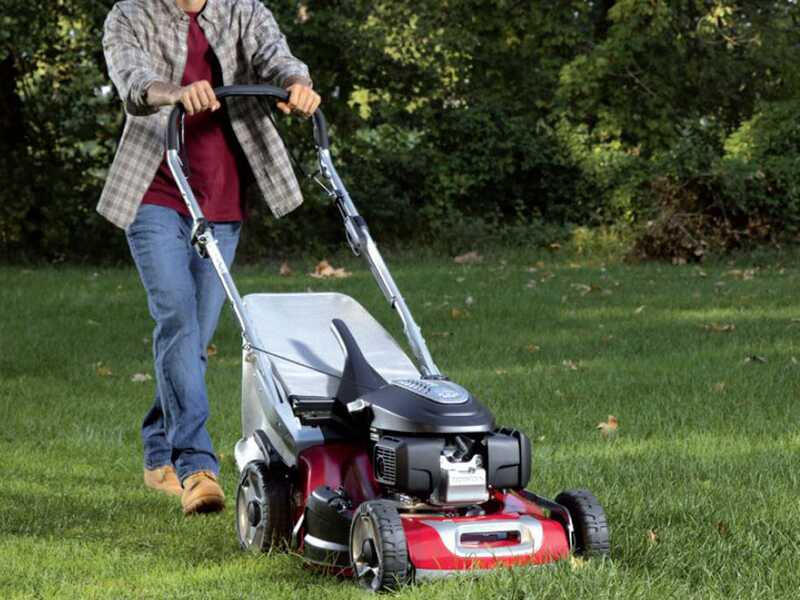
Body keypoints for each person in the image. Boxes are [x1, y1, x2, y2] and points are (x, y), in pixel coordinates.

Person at [99, 0, 320, 514]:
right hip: (154, 192)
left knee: (193, 337)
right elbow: (132, 78)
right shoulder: (130, 13)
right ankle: (197, 467)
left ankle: (158, 450)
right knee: (177, 317)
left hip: (221, 199)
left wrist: (296, 84)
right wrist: (176, 92)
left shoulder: (246, 11)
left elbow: (276, 57)